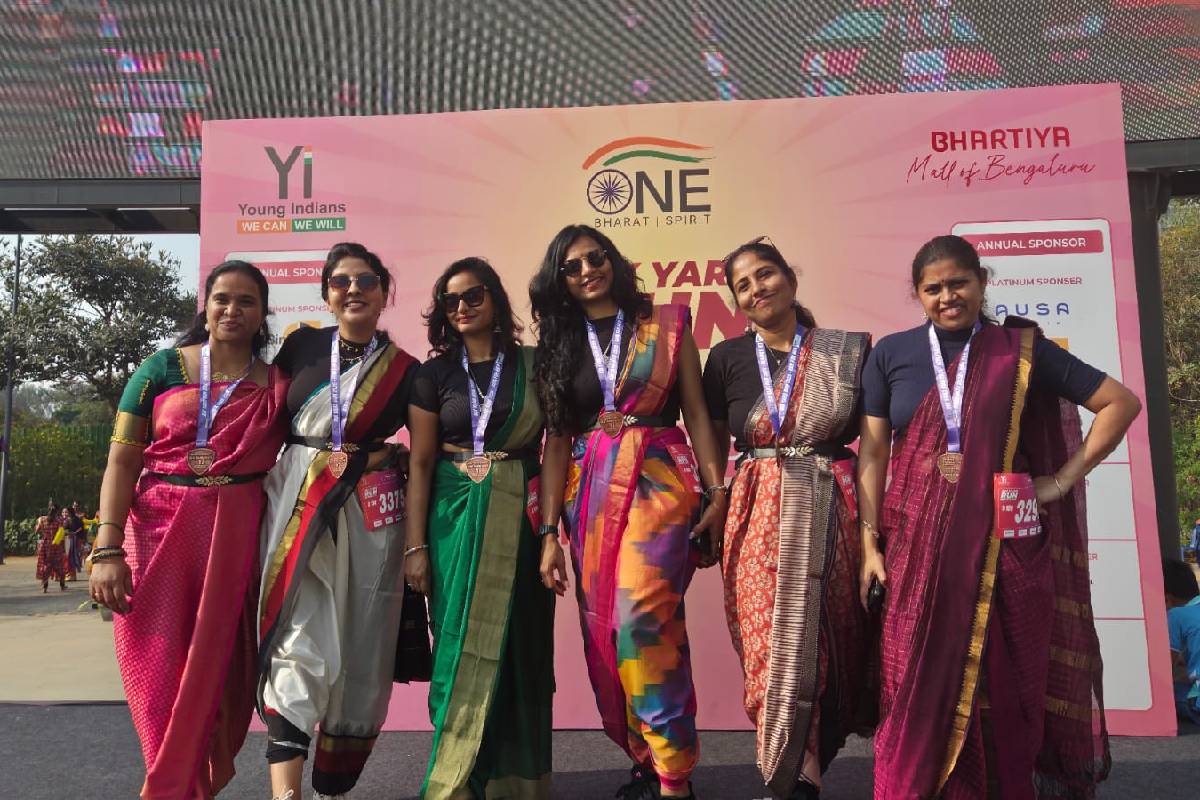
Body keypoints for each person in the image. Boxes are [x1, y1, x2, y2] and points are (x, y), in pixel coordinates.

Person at [857, 235, 1141, 799]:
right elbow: (873, 451)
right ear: (917, 294)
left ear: (982, 282)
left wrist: (1060, 482)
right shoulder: (891, 354)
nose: (947, 296)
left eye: (958, 283)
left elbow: (1120, 403)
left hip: (1002, 546)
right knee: (910, 673)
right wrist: (869, 544)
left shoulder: (1019, 351)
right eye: (933, 289)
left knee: (1002, 675)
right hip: (914, 547)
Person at [529, 224, 727, 800]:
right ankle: (646, 758)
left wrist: (716, 491)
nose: (587, 271)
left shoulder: (664, 325)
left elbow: (694, 411)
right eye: (571, 267)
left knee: (644, 618)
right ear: (559, 282)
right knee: (608, 630)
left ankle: (674, 775)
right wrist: (548, 533)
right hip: (587, 496)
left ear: (613, 260)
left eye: (595, 258)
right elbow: (556, 443)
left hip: (658, 484)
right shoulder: (559, 344)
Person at [89, 259, 285, 798]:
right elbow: (121, 462)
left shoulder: (276, 385)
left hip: (238, 541)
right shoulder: (160, 369)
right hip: (155, 535)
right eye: (222, 298)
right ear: (206, 306)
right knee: (154, 672)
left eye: (246, 301)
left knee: (225, 679)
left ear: (262, 313)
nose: (232, 309)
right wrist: (106, 549)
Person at [702, 237, 872, 800]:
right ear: (736, 303)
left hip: (831, 508)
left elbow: (875, 445)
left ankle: (805, 770)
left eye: (765, 274)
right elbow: (709, 442)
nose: (757, 289)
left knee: (823, 639)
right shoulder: (725, 359)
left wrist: (873, 533)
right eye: (743, 285)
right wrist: (715, 498)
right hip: (753, 510)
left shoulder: (846, 352)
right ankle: (793, 777)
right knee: (767, 645)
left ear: (790, 279)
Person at [257, 242, 422, 800]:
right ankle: (287, 793)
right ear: (326, 293)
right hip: (297, 508)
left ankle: (332, 784)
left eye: (366, 281)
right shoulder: (302, 346)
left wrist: (384, 457)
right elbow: (263, 420)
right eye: (341, 281)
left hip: (368, 518)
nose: (353, 290)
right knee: (297, 639)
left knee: (358, 644)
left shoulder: (405, 371)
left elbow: (423, 454)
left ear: (384, 292)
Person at [406, 257, 559, 799]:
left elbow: (555, 448)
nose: (463, 307)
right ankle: (460, 777)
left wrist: (551, 533)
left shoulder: (534, 365)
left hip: (520, 514)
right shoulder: (433, 376)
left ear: (494, 298)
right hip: (451, 517)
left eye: (473, 295)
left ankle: (514, 782)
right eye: (451, 301)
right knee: (456, 640)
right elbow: (420, 462)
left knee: (520, 644)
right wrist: (415, 546)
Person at [1164, 558, 1200, 725]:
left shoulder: (1176, 615)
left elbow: (1166, 666)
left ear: (1167, 599)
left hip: (1196, 703)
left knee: (1171, 693)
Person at [35, 501, 67, 592]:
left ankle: (45, 587)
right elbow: (61, 534)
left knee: (45, 565)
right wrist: (63, 548)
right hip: (56, 545)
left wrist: (39, 526)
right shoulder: (60, 520)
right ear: (57, 511)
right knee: (59, 565)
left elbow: (36, 531)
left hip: (45, 545)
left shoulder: (42, 519)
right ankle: (62, 585)